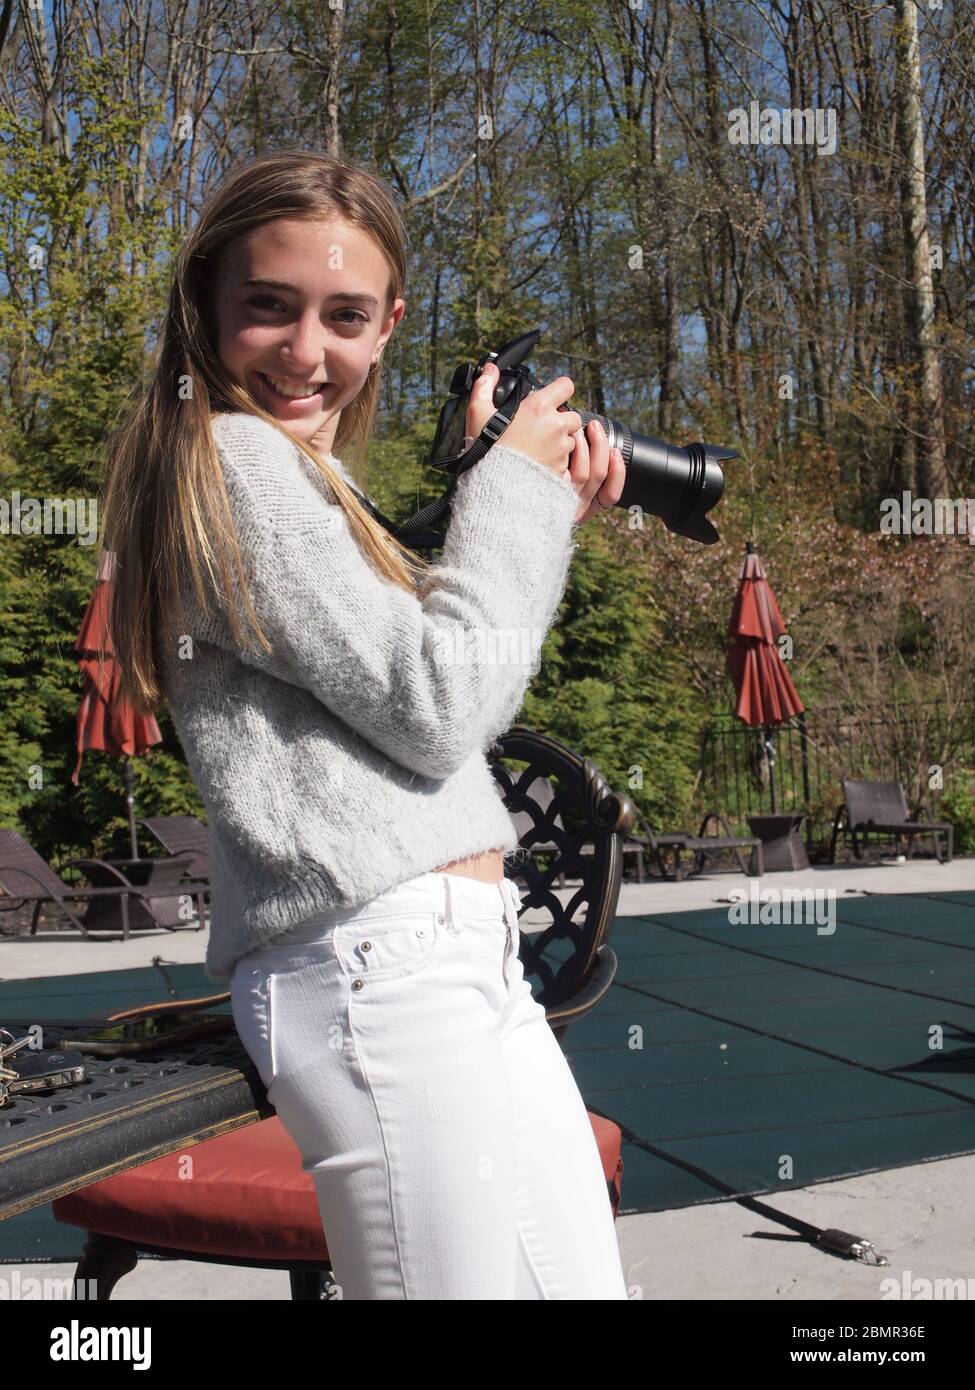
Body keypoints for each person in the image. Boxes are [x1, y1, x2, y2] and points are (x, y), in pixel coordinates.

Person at [97, 149, 628, 1300]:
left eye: (344, 316)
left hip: (454, 958)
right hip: (372, 964)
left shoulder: (298, 478)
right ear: (205, 307)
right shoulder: (231, 463)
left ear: (388, 325)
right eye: (268, 307)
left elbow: (429, 681)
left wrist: (519, 500)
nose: (306, 351)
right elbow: (442, 705)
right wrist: (517, 498)